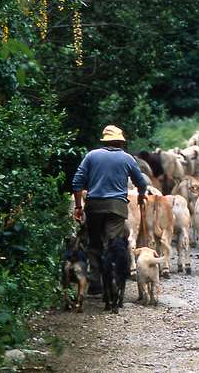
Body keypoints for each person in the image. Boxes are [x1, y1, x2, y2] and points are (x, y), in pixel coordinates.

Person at [72, 125, 148, 296]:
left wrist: (78, 206)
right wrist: (141, 195)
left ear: (104, 141)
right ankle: (113, 279)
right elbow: (141, 183)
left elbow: (77, 183)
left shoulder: (92, 156)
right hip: (117, 207)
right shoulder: (127, 158)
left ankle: (95, 281)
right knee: (113, 243)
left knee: (95, 243)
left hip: (94, 206)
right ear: (120, 142)